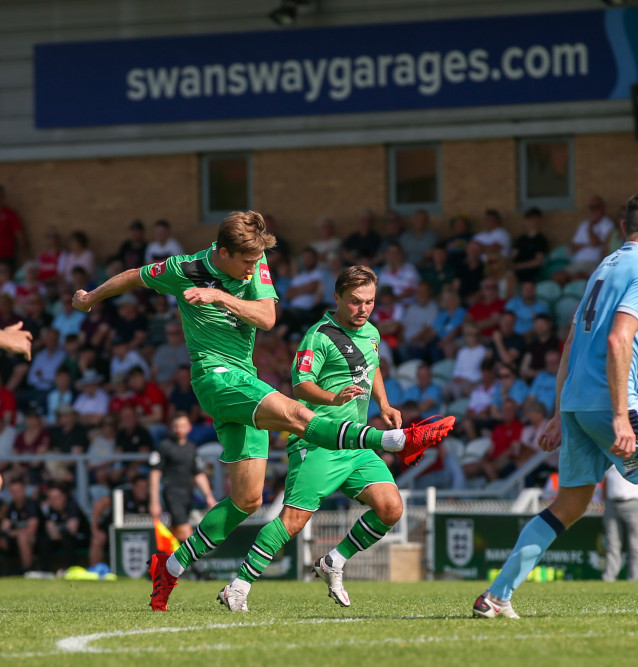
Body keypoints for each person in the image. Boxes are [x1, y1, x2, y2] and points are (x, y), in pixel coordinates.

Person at [71, 210, 452, 611]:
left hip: (244, 377)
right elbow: (135, 275)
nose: (254, 268)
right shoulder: (184, 269)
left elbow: (268, 317)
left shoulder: (256, 260)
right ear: (222, 252)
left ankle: (169, 566)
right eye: (247, 262)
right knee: (297, 416)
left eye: (258, 261)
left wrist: (219, 296)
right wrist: (91, 297)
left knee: (247, 501)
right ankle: (397, 441)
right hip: (216, 376)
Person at [473, 190, 638, 619]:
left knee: (569, 505)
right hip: (609, 403)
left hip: (575, 403)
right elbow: (617, 338)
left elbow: (570, 343)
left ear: (622, 228)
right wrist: (622, 416)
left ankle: (496, 595)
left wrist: (556, 412)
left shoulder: (603, 267)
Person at [219, 266, 430, 611]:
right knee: (293, 521)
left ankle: (333, 561)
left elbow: (372, 366)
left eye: (370, 302)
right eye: (355, 302)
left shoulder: (372, 332)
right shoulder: (319, 336)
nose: (363, 309)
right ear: (337, 298)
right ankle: (237, 586)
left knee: (391, 508)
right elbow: (300, 384)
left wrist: (384, 403)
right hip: (318, 442)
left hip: (357, 444)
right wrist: (333, 399)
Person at [149, 412, 218, 544]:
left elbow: (198, 473)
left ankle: (166, 563)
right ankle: (194, 565)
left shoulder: (191, 447)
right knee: (187, 534)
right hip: (172, 495)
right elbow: (155, 474)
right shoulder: (164, 446)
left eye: (182, 426)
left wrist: (209, 496)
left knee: (175, 535)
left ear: (189, 427)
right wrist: (154, 501)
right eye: (176, 426)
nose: (179, 429)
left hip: (187, 495)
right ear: (171, 427)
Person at [603, 466, 638, 582]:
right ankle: (609, 577)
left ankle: (635, 578)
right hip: (612, 502)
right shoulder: (610, 456)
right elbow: (606, 479)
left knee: (636, 544)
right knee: (612, 543)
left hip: (633, 503)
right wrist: (605, 499)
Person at [565, 195, 615, 278]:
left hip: (593, 263)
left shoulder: (608, 224)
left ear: (603, 207)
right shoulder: (584, 224)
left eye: (596, 207)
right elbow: (572, 246)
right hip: (577, 262)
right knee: (558, 276)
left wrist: (590, 227)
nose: (593, 210)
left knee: (577, 278)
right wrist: (588, 244)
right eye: (591, 207)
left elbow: (595, 243)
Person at [510, 207, 549, 283]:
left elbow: (538, 261)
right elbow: (512, 256)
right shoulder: (521, 239)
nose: (531, 222)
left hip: (530, 272)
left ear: (539, 220)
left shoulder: (541, 240)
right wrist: (510, 265)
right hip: (516, 271)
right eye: (529, 219)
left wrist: (519, 266)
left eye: (534, 219)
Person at [0, 184, 26, 269]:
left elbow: (19, 236)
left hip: (6, 257)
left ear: (3, 196)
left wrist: (24, 254)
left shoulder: (10, 214)